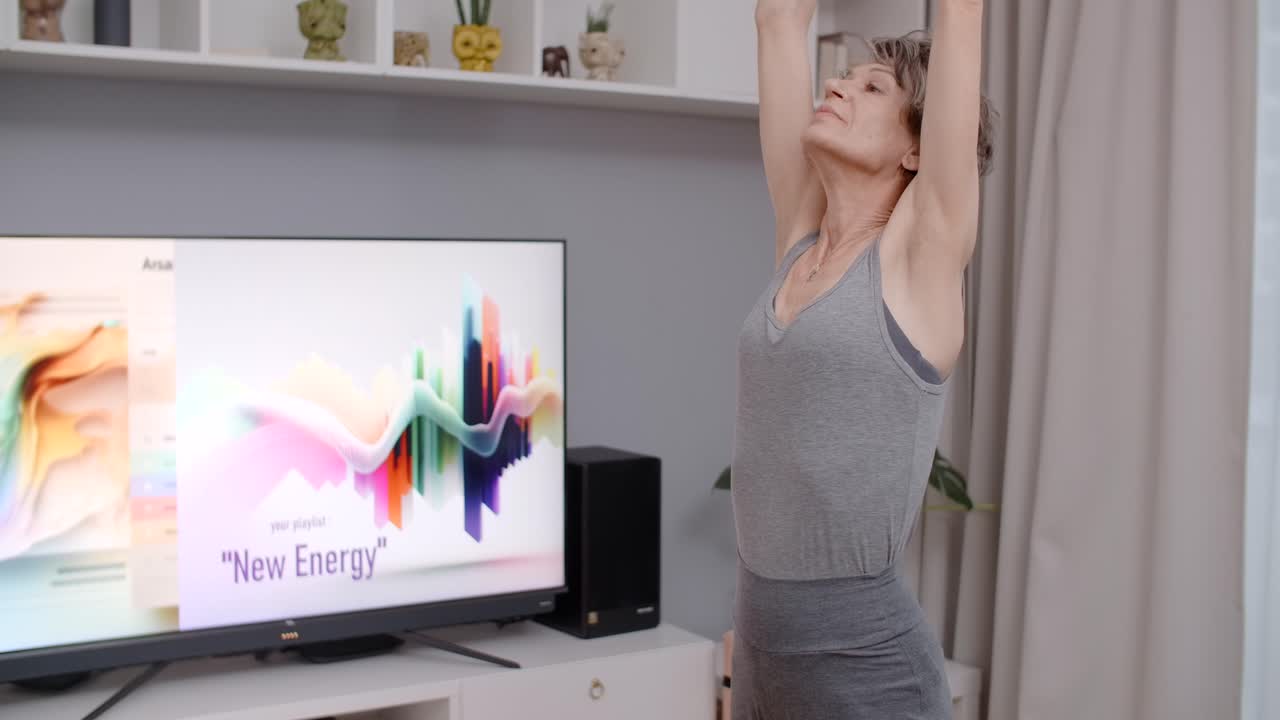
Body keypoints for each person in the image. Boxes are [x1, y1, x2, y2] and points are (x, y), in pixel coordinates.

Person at [730, 0, 996, 716]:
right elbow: (779, 19)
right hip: (761, 657)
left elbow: (961, 17)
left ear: (917, 147)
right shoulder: (801, 239)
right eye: (842, 77)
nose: (840, 86)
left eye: (873, 87)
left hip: (867, 670)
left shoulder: (921, 257)